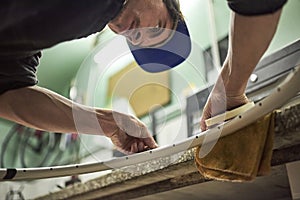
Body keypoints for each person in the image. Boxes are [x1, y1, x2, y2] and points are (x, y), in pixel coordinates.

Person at [0, 0, 187, 155]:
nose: (138, 39)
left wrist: (110, 124)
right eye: (157, 27)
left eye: (136, 43)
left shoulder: (83, 23)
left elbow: (10, 95)